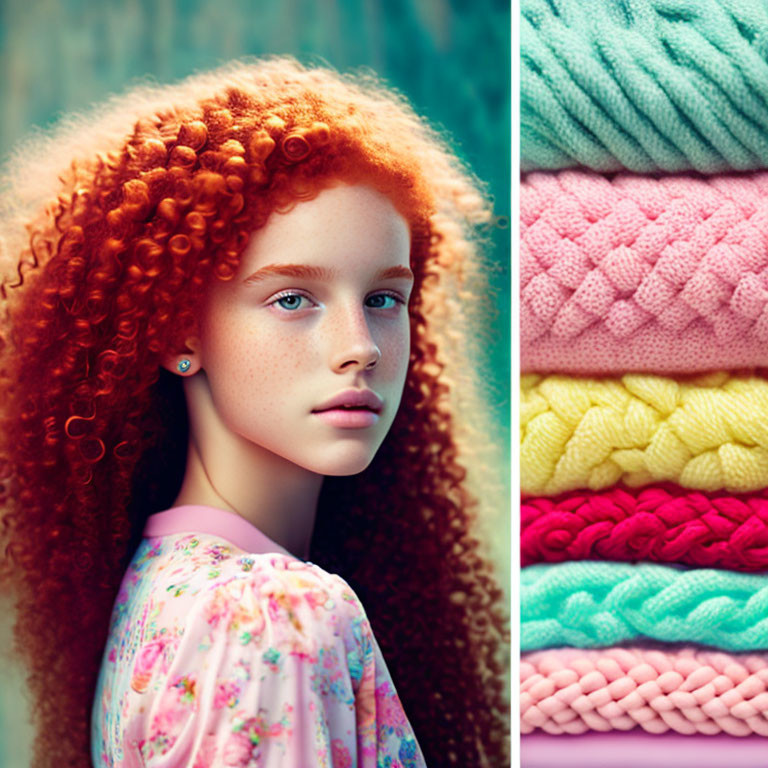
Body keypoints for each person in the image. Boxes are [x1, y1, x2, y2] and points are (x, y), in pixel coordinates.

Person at [0, 57, 508, 768]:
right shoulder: (273, 615)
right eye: (292, 299)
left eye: (383, 299)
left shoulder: (157, 590)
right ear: (178, 331)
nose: (359, 348)